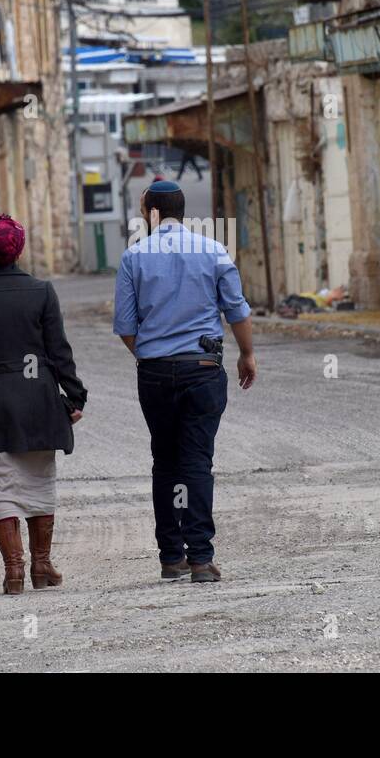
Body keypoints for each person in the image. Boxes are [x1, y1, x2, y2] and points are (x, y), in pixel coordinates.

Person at [113, 180, 256, 583]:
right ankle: (201, 559)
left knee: (165, 461)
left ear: (150, 213)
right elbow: (237, 311)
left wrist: (150, 354)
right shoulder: (213, 251)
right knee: (196, 461)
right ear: (181, 210)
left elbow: (126, 326)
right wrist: (247, 354)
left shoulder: (133, 257)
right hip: (203, 370)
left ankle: (171, 557)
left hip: (156, 373)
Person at [0, 214, 87, 595]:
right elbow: (58, 351)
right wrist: (74, 396)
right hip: (35, 399)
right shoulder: (41, 292)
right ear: (19, 248)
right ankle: (42, 565)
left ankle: (14, 570)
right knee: (38, 478)